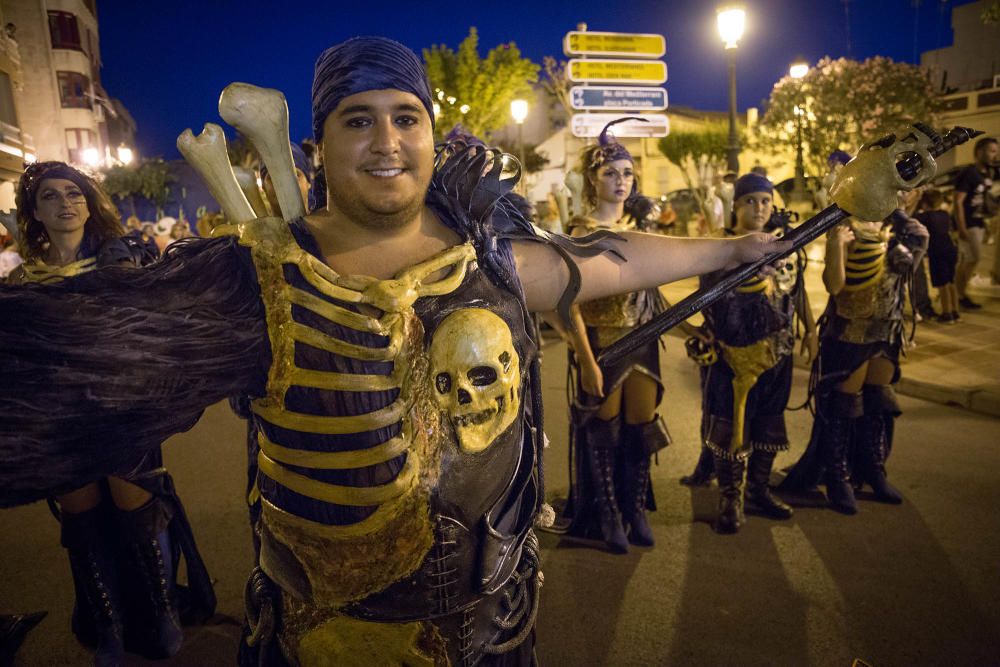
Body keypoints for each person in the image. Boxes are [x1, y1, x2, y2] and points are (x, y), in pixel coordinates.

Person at [0, 38, 787, 666]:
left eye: (407, 118)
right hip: (325, 639)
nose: (388, 141)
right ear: (317, 146)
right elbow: (63, 362)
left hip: (492, 634)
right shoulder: (254, 280)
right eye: (359, 119)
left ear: (432, 136)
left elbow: (609, 256)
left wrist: (731, 248)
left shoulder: (492, 258)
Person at [5, 161, 214, 666]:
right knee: (83, 522)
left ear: (89, 202)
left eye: (74, 193)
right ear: (34, 212)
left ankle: (162, 618)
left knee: (137, 509)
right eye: (51, 196)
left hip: (122, 414)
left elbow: (150, 329)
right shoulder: (22, 282)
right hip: (63, 422)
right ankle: (109, 628)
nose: (65, 203)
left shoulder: (122, 260)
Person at [559, 123, 672, 554]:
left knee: (641, 428)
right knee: (603, 429)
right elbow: (569, 301)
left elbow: (657, 286)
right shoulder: (579, 228)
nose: (621, 180)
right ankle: (606, 513)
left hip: (644, 341)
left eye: (627, 173)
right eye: (611, 173)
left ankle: (634, 508)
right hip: (602, 344)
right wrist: (586, 359)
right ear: (593, 179)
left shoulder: (641, 226)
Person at [687, 174, 817, 533]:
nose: (759, 208)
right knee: (730, 426)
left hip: (777, 355)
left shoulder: (784, 245)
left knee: (769, 424)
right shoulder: (721, 248)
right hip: (731, 357)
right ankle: (731, 497)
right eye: (750, 201)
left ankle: (759, 490)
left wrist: (812, 330)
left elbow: (797, 291)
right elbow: (706, 299)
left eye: (765, 200)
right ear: (736, 205)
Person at [780, 207, 929, 514]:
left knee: (877, 404)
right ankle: (838, 477)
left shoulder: (896, 226)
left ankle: (873, 470)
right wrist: (836, 245)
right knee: (843, 407)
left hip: (886, 330)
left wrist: (908, 229)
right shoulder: (846, 224)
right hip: (851, 332)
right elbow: (834, 286)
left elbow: (913, 255)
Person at [953, 137, 998, 310]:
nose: (995, 155)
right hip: (968, 223)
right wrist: (961, 227)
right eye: (991, 151)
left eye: (996, 151)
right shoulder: (968, 173)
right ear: (979, 151)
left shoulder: (986, 172)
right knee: (971, 259)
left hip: (978, 222)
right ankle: (960, 294)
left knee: (971, 260)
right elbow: (958, 201)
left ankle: (960, 293)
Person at [915, 188, 960, 323]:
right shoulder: (945, 214)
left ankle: (947, 314)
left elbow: (909, 218)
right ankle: (955, 311)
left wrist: (915, 200)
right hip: (950, 250)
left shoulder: (925, 217)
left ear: (924, 204)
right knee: (951, 282)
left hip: (938, 253)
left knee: (943, 284)